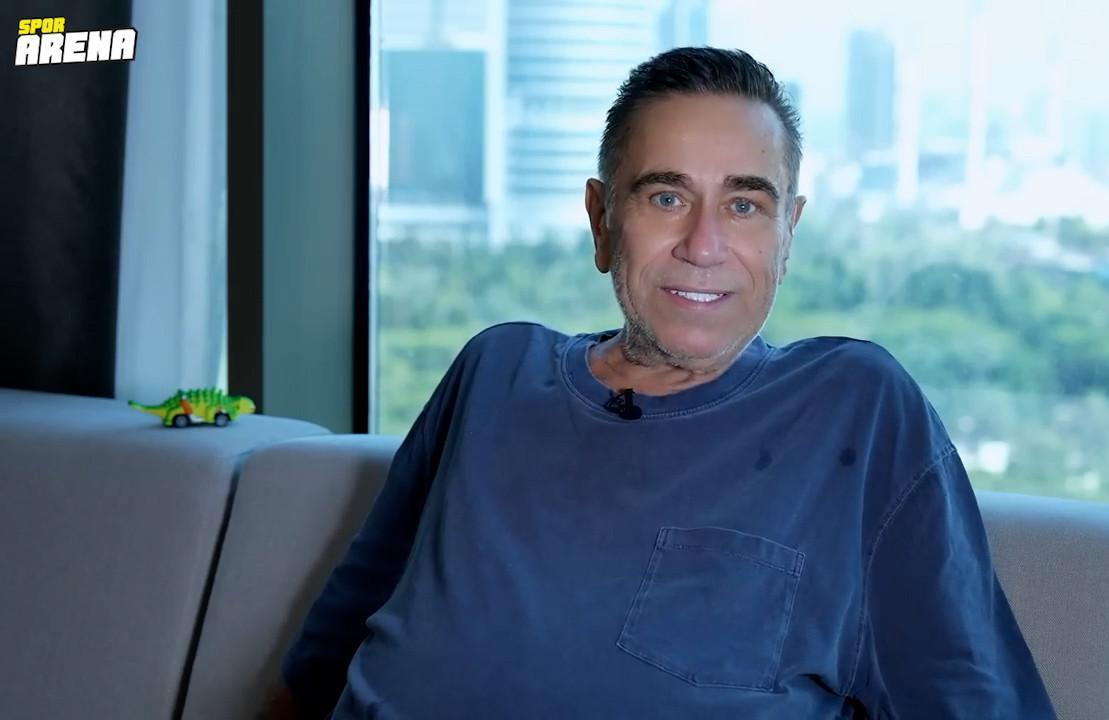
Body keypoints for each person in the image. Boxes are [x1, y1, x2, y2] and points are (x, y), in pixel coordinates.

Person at [270, 47, 1056, 719]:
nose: (703, 245)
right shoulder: (493, 373)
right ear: (602, 220)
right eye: (667, 197)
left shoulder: (857, 409)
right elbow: (325, 666)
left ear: (788, 234)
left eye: (744, 204)